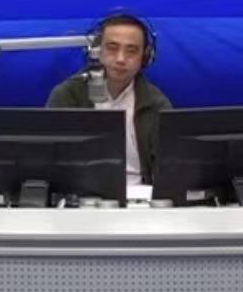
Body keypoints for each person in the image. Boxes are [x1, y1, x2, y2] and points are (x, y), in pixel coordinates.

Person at [43, 11, 172, 189]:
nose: (121, 59)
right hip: (79, 196)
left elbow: (170, 169)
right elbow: (49, 162)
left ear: (145, 57)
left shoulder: (156, 103)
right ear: (96, 51)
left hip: (139, 198)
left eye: (132, 51)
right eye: (112, 48)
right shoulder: (68, 95)